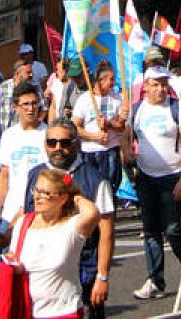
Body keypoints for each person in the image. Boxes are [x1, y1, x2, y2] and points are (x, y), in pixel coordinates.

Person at [20, 119, 115, 319]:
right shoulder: (34, 175)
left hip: (84, 271)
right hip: (42, 275)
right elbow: (26, 217)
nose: (58, 148)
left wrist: (102, 276)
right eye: (52, 142)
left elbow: (106, 233)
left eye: (64, 143)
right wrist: (6, 233)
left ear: (77, 144)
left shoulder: (95, 180)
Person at [128, 66, 181, 300]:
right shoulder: (137, 110)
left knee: (173, 229)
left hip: (172, 178)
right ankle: (155, 281)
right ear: (145, 87)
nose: (160, 89)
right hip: (146, 178)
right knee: (151, 231)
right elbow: (127, 138)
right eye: (155, 84)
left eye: (163, 84)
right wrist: (128, 158)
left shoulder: (177, 108)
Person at [6, 168, 100, 319]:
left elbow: (92, 213)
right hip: (28, 312)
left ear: (63, 199)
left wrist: (76, 197)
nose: (38, 197)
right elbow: (13, 258)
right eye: (36, 190)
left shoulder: (71, 227)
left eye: (46, 193)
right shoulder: (23, 223)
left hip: (64, 312)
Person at [0, 84, 48, 253]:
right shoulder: (9, 136)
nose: (31, 109)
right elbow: (4, 177)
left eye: (34, 103)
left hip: (35, 215)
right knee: (4, 271)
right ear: (16, 107)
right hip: (9, 214)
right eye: (26, 104)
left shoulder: (47, 135)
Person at [71, 63, 126, 193]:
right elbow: (74, 127)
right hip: (89, 152)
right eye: (111, 79)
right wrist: (94, 136)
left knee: (110, 188)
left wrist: (109, 124)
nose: (114, 82)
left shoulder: (117, 98)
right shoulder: (84, 100)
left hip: (111, 151)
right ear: (100, 81)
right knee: (91, 189)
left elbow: (122, 126)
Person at [0, 60, 34, 140]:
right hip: (7, 135)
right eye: (28, 72)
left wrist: (36, 124)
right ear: (17, 74)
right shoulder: (2, 88)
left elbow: (44, 108)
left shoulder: (35, 87)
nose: (31, 75)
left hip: (27, 134)